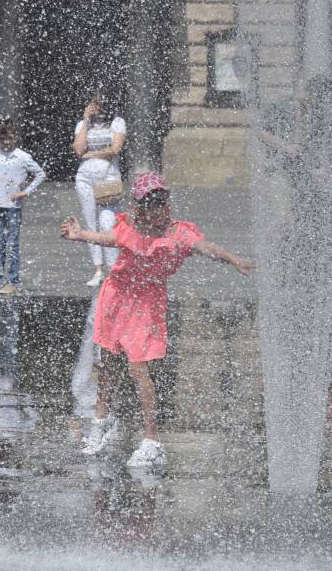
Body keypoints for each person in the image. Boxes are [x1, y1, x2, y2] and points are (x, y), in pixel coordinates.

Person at [60, 172, 252, 467]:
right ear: (138, 207)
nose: (157, 208)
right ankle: (100, 422)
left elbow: (206, 247)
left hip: (146, 304)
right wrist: (79, 234)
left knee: (138, 369)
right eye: (150, 202)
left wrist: (233, 259)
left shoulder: (177, 233)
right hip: (117, 297)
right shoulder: (130, 228)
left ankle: (152, 441)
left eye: (161, 201)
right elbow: (109, 239)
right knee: (109, 362)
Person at [0, 119, 46, 295]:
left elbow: (40, 174)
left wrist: (26, 191)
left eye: (9, 139)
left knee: (12, 244)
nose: (6, 143)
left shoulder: (23, 157)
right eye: (2, 139)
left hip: (13, 206)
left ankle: (12, 280)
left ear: (15, 138)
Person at [72, 94, 127, 287]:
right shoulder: (82, 125)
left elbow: (116, 148)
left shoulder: (117, 122)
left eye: (101, 104)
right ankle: (98, 269)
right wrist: (86, 120)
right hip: (85, 178)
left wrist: (93, 153)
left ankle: (113, 270)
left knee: (108, 224)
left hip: (108, 178)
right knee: (90, 223)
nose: (98, 108)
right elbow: (79, 150)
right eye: (94, 104)